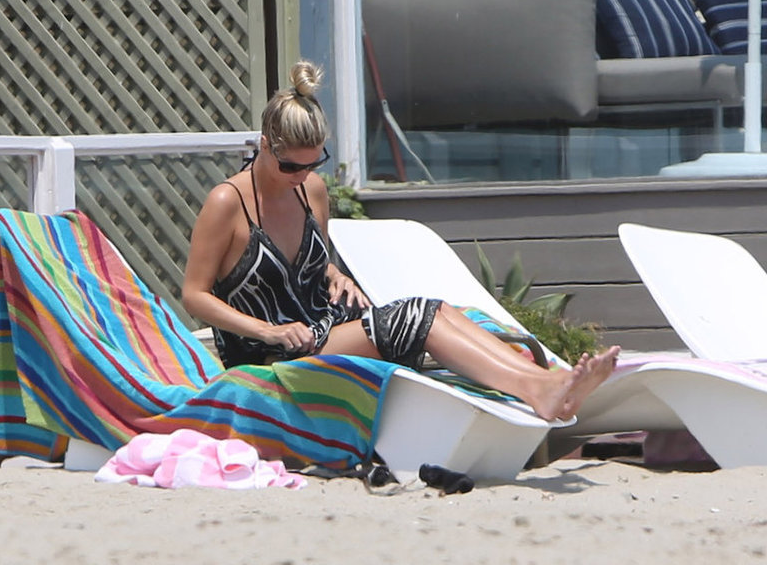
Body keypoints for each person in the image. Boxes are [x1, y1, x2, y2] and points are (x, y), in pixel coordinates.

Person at [181, 61, 620, 423]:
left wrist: (334, 275)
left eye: (314, 164)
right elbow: (194, 295)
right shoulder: (228, 202)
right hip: (270, 350)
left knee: (439, 310)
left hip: (323, 327)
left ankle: (542, 382)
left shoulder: (310, 190)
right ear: (263, 145)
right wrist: (267, 329)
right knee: (417, 316)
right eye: (291, 167)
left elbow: (305, 265)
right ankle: (539, 389)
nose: (303, 176)